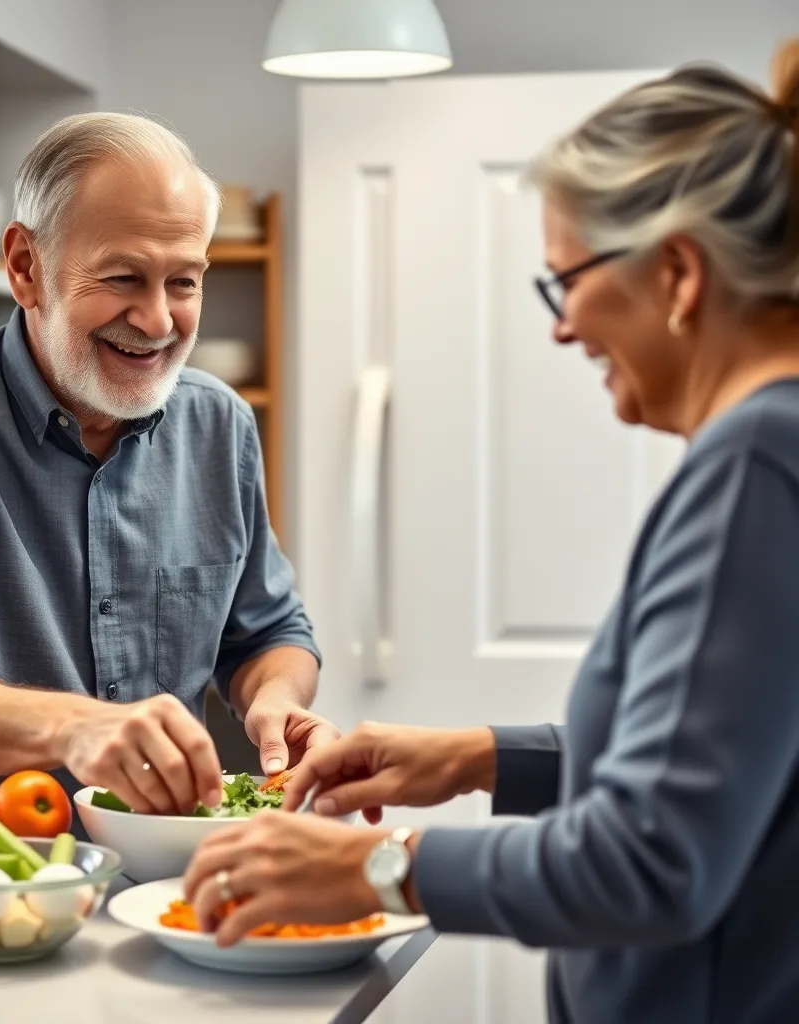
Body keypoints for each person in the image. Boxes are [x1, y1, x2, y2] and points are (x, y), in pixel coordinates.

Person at [183, 39, 799, 1024]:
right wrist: (477, 757)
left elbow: (654, 857)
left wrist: (378, 864)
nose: (561, 328)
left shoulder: (758, 463)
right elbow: (731, 760)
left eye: (565, 284)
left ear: (678, 275)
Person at [0, 112, 336, 819]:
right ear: (25, 267)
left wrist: (276, 703)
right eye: (124, 276)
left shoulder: (218, 423)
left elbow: (270, 633)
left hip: (162, 864)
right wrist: (78, 729)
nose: (159, 321)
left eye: (185, 282)